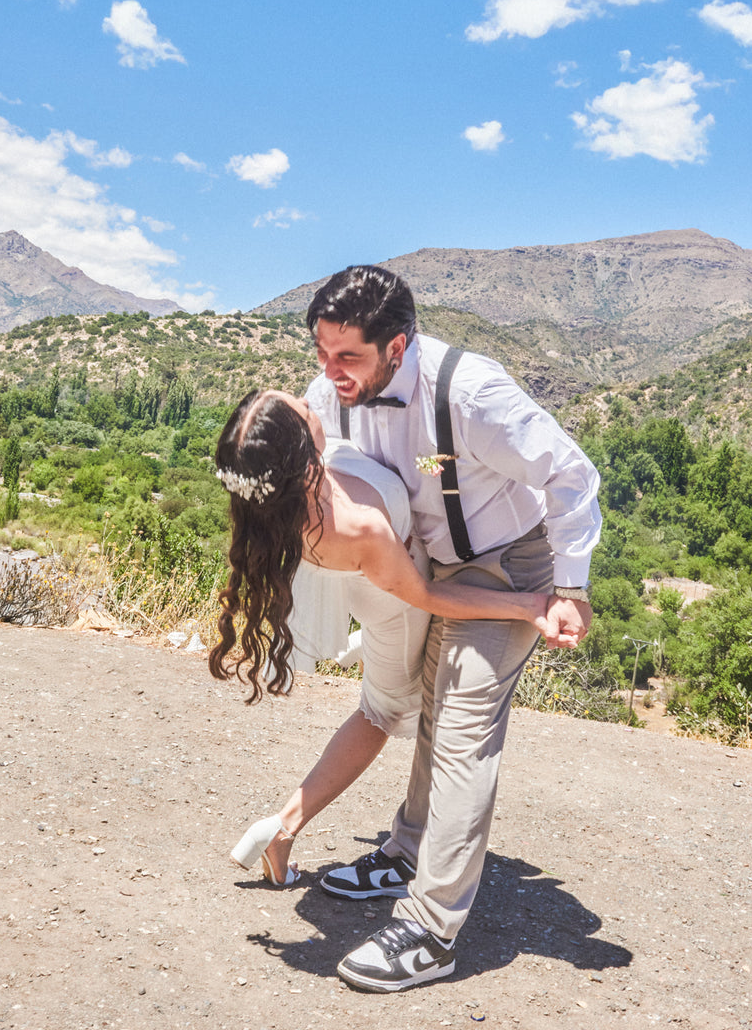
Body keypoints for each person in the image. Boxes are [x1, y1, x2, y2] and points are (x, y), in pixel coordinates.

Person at [304, 264, 602, 992]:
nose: (331, 372)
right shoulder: (329, 395)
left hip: (513, 561)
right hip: (438, 568)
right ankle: (408, 850)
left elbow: (571, 473)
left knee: (464, 724)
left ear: (397, 347)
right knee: (434, 710)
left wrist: (571, 588)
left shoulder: (470, 395)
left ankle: (431, 930)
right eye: (322, 352)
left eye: (348, 357)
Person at [209, 388, 583, 889]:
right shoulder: (356, 526)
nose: (310, 401)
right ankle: (283, 828)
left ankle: (292, 821)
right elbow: (425, 595)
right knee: (382, 711)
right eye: (303, 411)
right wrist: (526, 605)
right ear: (302, 457)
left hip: (384, 579)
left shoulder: (293, 488)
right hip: (397, 610)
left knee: (394, 699)